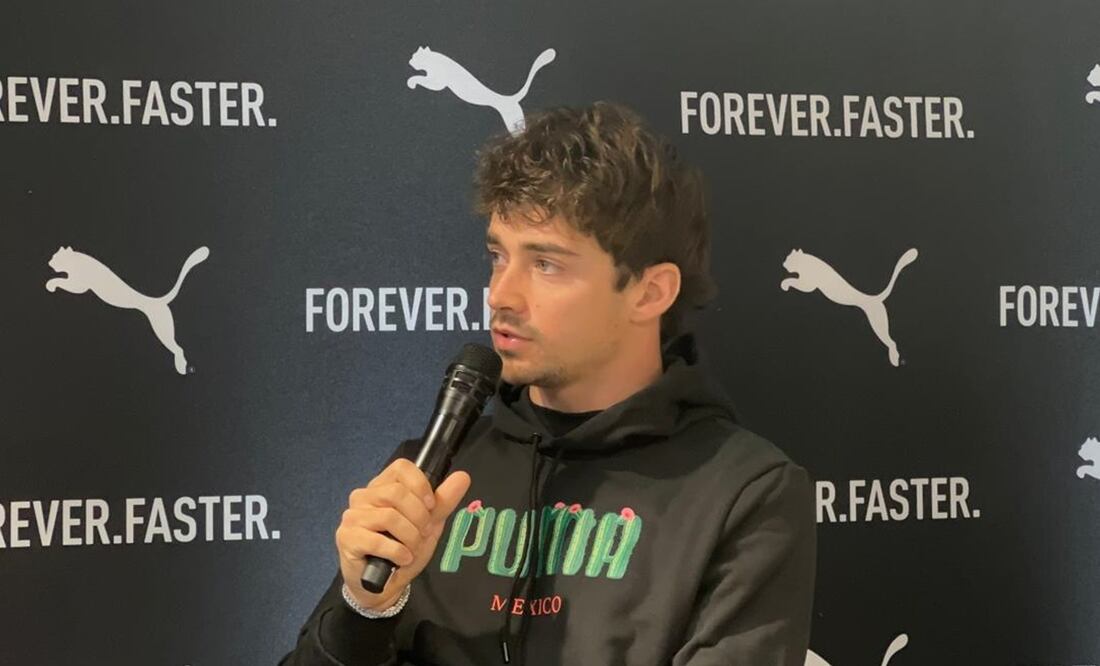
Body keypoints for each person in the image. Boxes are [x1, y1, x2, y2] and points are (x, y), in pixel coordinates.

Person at [279, 101, 816, 666]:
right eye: (496, 256)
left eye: (546, 264)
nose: (501, 295)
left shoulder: (745, 494)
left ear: (650, 292)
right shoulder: (431, 477)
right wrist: (366, 611)